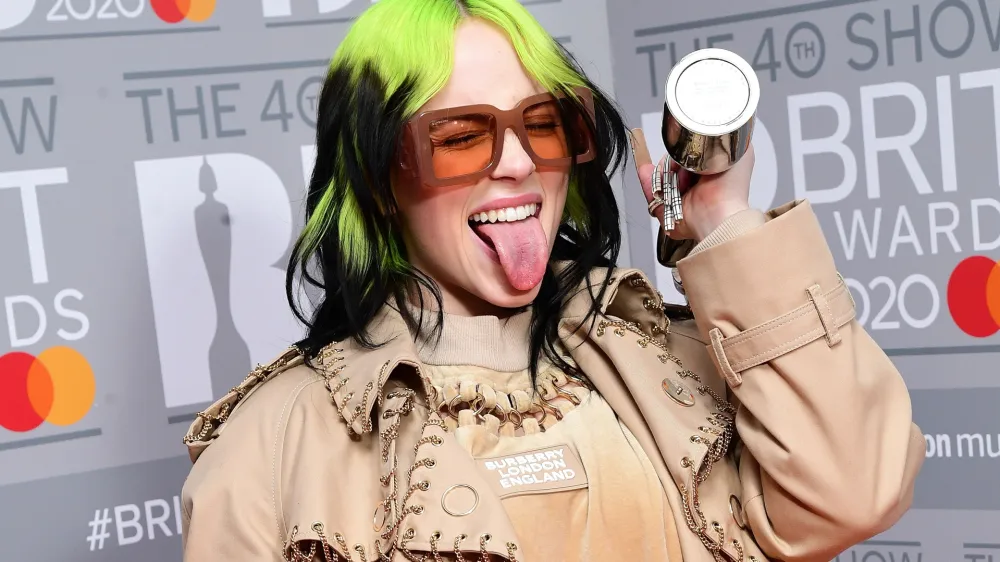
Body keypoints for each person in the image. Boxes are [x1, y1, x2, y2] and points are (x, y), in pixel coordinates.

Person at [178, 1, 926, 560]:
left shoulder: (664, 366)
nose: (517, 164)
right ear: (377, 181)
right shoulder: (271, 447)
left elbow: (852, 494)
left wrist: (722, 221)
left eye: (543, 125)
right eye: (461, 138)